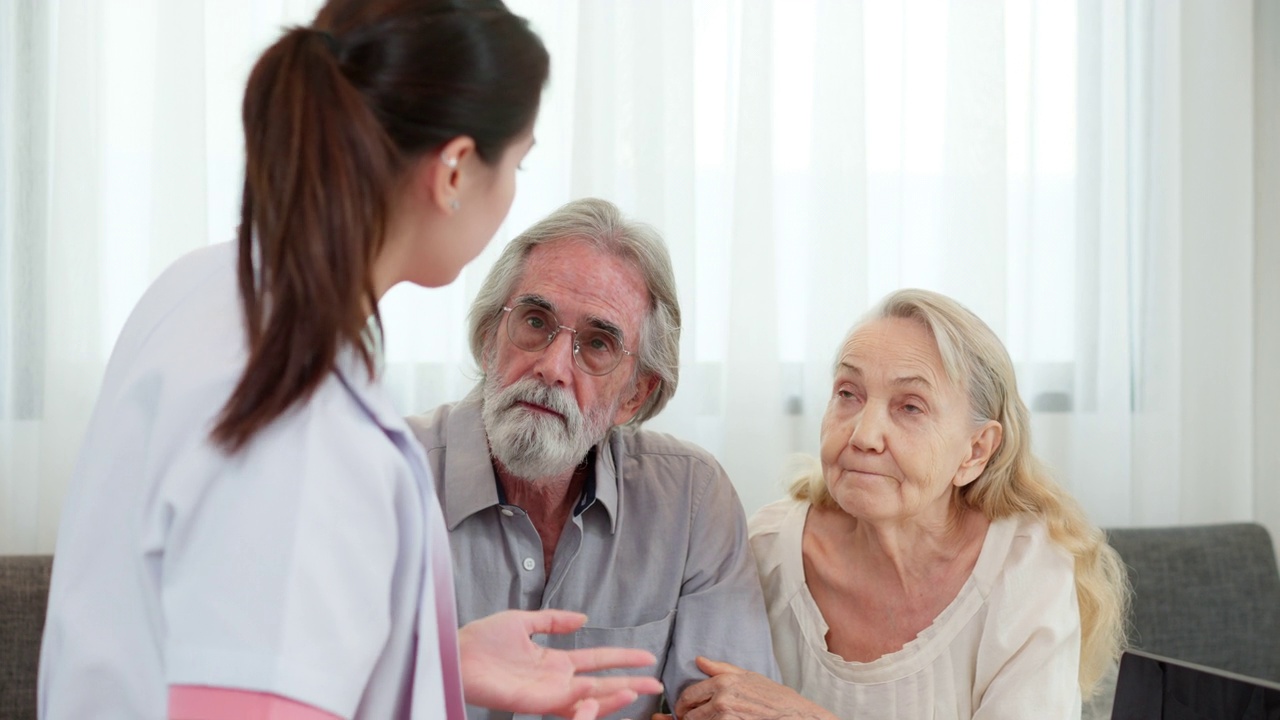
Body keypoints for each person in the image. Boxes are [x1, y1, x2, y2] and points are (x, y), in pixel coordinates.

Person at [38, 3, 662, 719]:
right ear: (455, 169)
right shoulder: (306, 419)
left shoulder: (204, 286)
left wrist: (435, 663)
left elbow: (199, 633)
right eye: (517, 163)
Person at [667, 289, 1130, 720]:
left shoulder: (1025, 567)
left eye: (911, 407)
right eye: (848, 394)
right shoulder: (765, 549)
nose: (863, 436)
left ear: (975, 451)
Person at [405, 197, 780, 719]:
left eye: (598, 344)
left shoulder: (692, 501)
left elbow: (731, 710)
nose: (552, 366)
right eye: (535, 321)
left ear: (634, 394)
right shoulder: (386, 476)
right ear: (492, 339)